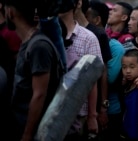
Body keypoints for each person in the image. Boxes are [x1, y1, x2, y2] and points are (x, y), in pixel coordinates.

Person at [4, 0, 63, 140]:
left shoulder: (39, 46)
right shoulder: (30, 42)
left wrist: (27, 134)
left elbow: (39, 95)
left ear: (11, 12)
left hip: (33, 131)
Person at [58, 0, 103, 140]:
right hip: (51, 111)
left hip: (78, 113)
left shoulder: (88, 38)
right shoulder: (47, 35)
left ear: (76, 4)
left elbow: (92, 79)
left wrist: (92, 116)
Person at [86, 1, 126, 140]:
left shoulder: (115, 48)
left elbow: (108, 79)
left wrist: (103, 108)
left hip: (110, 110)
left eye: (86, 19)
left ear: (97, 20)